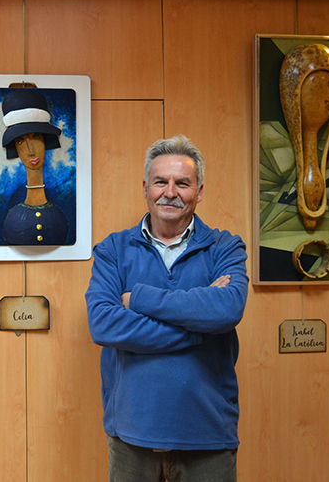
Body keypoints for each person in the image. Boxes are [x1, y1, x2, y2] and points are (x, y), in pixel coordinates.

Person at [86, 135, 248, 482]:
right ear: (146, 187)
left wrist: (139, 299)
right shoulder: (114, 249)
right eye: (161, 181)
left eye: (183, 183)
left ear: (199, 191)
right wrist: (196, 328)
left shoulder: (225, 247)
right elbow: (103, 324)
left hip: (208, 437)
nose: (170, 192)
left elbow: (228, 309)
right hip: (131, 436)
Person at [0, 89, 69, 245]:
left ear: (46, 141)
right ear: (15, 149)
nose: (30, 150)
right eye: (20, 141)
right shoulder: (13, 218)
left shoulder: (58, 217)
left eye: (36, 137)